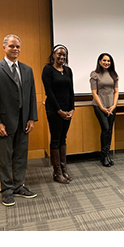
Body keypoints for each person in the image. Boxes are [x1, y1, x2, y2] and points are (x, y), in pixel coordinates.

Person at [0, 34, 38, 207]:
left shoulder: (27, 69)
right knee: (4, 158)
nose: (15, 49)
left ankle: (19, 186)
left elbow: (32, 95)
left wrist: (32, 118)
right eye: (11, 46)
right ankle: (7, 191)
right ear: (4, 48)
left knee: (20, 156)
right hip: (4, 122)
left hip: (24, 121)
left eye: (17, 46)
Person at [42, 44, 74, 183]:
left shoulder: (68, 70)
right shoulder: (48, 69)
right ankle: (57, 173)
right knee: (55, 140)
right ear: (53, 55)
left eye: (64, 55)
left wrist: (72, 109)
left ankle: (64, 169)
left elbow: (71, 91)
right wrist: (59, 111)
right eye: (59, 54)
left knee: (63, 139)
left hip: (68, 110)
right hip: (54, 110)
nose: (61, 57)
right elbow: (49, 92)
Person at [90, 53, 119, 167]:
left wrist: (114, 105)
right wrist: (102, 107)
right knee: (105, 129)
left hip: (111, 106)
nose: (107, 63)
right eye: (104, 60)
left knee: (110, 130)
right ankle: (104, 155)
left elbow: (116, 91)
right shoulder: (95, 75)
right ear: (100, 61)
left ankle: (106, 155)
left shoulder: (113, 74)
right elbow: (94, 93)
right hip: (99, 106)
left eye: (108, 61)